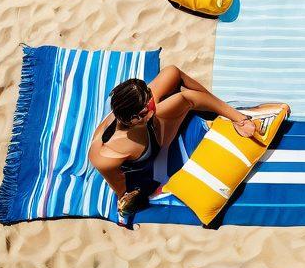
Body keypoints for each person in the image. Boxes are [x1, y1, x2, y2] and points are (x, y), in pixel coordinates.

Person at [87, 66, 257, 217]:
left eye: (149, 96)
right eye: (149, 103)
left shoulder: (144, 111)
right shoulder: (106, 155)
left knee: (172, 73)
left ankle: (215, 103)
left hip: (148, 129)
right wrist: (128, 198)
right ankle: (210, 106)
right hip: (149, 148)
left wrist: (238, 118)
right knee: (185, 99)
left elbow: (159, 97)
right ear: (135, 118)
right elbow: (121, 190)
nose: (153, 100)